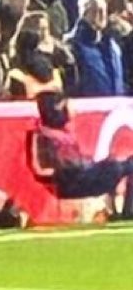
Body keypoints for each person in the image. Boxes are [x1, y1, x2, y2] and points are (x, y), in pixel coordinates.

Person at [32, 91, 133, 219]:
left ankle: (127, 210)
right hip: (69, 183)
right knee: (118, 167)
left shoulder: (64, 136)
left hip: (80, 176)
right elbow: (40, 170)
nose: (73, 112)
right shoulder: (42, 136)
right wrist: (68, 172)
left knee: (123, 165)